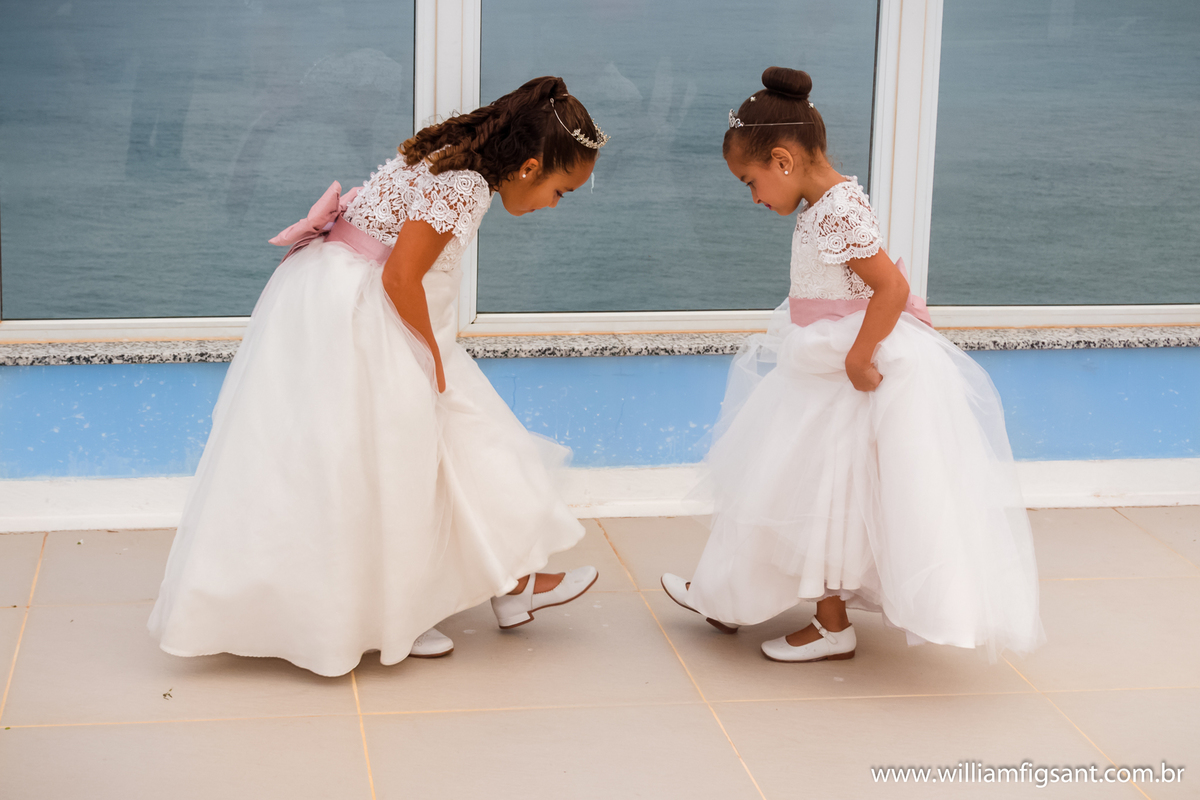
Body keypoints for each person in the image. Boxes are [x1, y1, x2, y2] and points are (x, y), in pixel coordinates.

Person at [149, 76, 609, 677]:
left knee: (409, 448)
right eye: (561, 190)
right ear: (527, 167)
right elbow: (400, 279)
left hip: (330, 296)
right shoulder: (467, 186)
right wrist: (431, 358)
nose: (554, 204)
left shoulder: (450, 158)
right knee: (404, 446)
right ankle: (460, 594)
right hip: (364, 315)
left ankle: (494, 585)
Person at [662, 67, 1043, 663]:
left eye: (751, 182)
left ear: (783, 161)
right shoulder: (823, 204)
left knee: (822, 495)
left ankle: (824, 624)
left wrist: (860, 355)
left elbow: (890, 288)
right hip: (817, 362)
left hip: (841, 371)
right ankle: (727, 592)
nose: (755, 198)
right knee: (787, 481)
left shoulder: (840, 209)